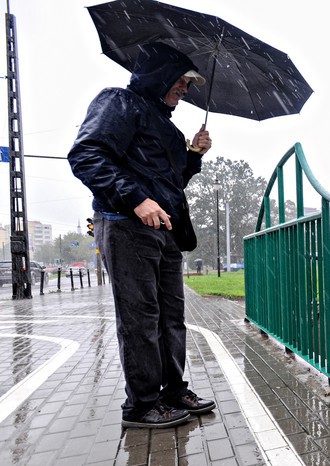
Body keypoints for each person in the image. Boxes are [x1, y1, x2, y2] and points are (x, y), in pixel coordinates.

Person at [69, 43, 216, 428]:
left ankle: (171, 390)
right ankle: (141, 404)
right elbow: (86, 156)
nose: (185, 90)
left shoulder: (166, 125)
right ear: (160, 75)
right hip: (126, 224)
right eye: (181, 81)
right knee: (140, 317)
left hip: (164, 230)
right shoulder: (118, 102)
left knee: (171, 315)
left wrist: (194, 155)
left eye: (188, 85)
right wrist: (136, 200)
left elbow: (171, 182)